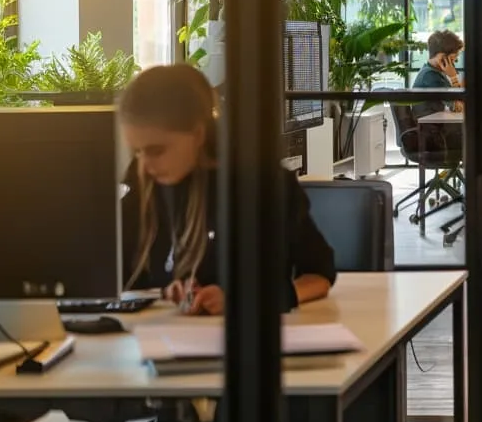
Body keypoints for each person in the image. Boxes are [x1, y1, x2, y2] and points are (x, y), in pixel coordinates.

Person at [120, 63, 337, 313]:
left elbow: (319, 276)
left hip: (250, 341)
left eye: (156, 150)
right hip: (166, 339)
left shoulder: (260, 186)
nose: (144, 165)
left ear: (198, 134)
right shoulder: (143, 186)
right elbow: (124, 279)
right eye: (137, 151)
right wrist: (163, 293)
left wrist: (248, 300)